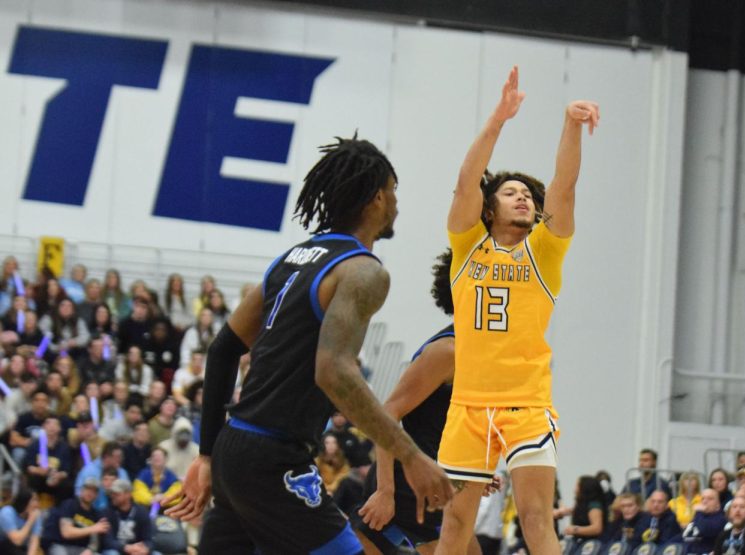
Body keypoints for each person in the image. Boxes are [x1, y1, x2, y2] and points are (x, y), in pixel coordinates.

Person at [164, 134, 453, 554]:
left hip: (234, 449)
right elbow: (334, 371)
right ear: (375, 198)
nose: (396, 203)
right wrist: (410, 455)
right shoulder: (363, 271)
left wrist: (208, 455)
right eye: (393, 192)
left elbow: (223, 349)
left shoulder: (292, 258)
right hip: (274, 460)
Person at [434, 65, 598, 555]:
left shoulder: (544, 252)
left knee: (534, 520)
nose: (524, 196)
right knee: (454, 527)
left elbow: (564, 188)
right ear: (489, 210)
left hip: (527, 404)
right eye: (511, 192)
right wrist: (499, 119)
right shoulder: (467, 248)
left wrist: (570, 124)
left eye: (528, 194)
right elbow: (466, 183)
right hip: (468, 406)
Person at [355, 249, 478, 555]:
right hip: (406, 485)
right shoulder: (447, 351)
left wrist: (478, 472)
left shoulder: (477, 353)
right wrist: (385, 491)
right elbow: (387, 414)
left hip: (435, 483)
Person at [104, 479, 153, 555]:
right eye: (112, 493)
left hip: (136, 551)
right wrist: (126, 548)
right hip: (117, 550)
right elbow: (107, 541)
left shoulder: (141, 512)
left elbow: (149, 539)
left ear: (128, 494)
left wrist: (145, 549)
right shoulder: (107, 512)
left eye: (116, 494)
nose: (112, 496)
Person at [683, 488, 728, 555]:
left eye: (710, 499)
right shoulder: (700, 516)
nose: (705, 501)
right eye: (703, 499)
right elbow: (685, 536)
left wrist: (699, 512)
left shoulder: (721, 518)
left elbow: (705, 529)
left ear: (718, 505)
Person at [0, 488, 42, 555]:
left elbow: (34, 541)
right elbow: (17, 541)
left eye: (37, 500)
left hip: (20, 547)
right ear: (24, 501)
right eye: (34, 500)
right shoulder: (7, 512)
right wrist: (30, 520)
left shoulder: (35, 514)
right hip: (3, 544)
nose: (37, 504)